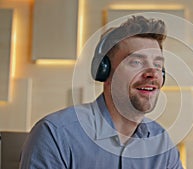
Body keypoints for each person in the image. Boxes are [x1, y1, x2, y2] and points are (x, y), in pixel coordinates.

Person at [20, 15, 183, 169]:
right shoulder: (56, 134)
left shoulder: (162, 144)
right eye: (136, 62)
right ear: (104, 71)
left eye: (157, 65)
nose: (152, 74)